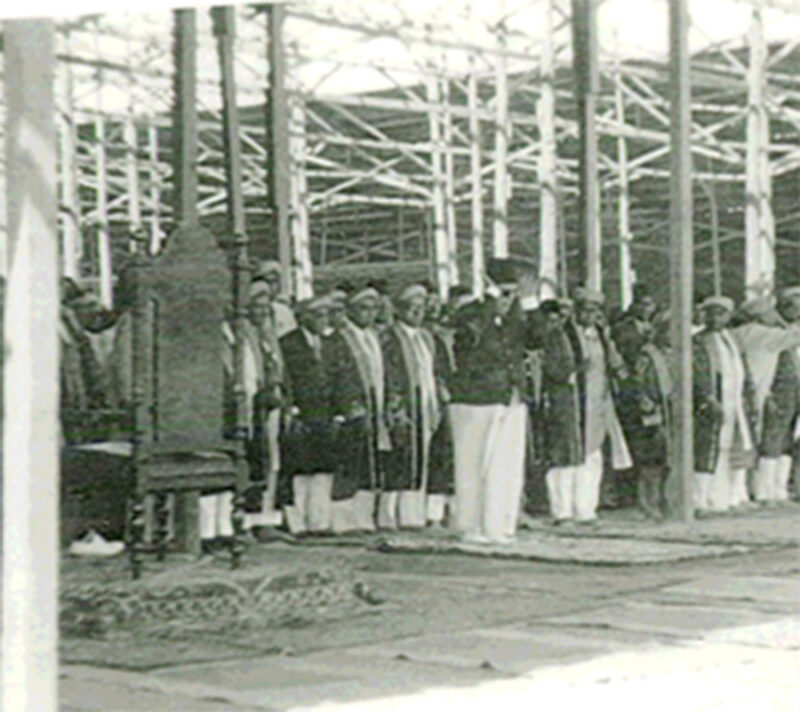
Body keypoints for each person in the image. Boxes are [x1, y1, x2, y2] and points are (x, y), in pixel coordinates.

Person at [448, 257, 535, 544]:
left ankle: (499, 525)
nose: (510, 300)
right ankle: (470, 526)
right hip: (476, 400)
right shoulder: (470, 314)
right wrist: (490, 309)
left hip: (509, 397)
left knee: (506, 468)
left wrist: (522, 307)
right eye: (505, 293)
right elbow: (467, 348)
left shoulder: (516, 317)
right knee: (472, 464)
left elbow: (537, 338)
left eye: (514, 294)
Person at [541, 287, 632, 526]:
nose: (590, 315)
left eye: (595, 310)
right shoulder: (559, 334)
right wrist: (576, 369)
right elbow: (551, 369)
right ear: (576, 311)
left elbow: (615, 366)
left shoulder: (601, 336)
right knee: (565, 458)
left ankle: (586, 510)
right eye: (586, 310)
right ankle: (562, 512)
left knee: (592, 457)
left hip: (597, 405)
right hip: (569, 403)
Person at [324, 286, 391, 532]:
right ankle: (341, 519)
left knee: (370, 463)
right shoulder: (338, 338)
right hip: (350, 410)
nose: (370, 314)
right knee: (349, 463)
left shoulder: (374, 337)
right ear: (351, 310)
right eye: (364, 308)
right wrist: (347, 405)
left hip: (375, 408)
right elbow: (334, 376)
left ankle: (364, 517)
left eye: (374, 309)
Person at [380, 284, 441, 529]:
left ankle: (413, 515)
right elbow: (389, 374)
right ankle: (389, 515)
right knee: (400, 459)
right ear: (400, 310)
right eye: (412, 308)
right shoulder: (390, 337)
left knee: (422, 458)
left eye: (421, 308)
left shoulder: (426, 337)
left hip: (426, 403)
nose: (417, 313)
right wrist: (396, 407)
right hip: (403, 405)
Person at [730, 295, 800, 505]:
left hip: (760, 391)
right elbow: (795, 336)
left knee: (775, 439)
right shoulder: (759, 334)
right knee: (768, 440)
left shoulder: (752, 332)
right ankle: (764, 491)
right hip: (762, 392)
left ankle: (772, 490)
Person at [279, 295, 337, 534]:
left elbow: (338, 377)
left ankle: (320, 521)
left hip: (325, 413)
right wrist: (291, 407)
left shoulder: (330, 343)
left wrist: (339, 411)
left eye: (325, 315)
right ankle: (298, 522)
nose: (323, 320)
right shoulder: (289, 343)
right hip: (303, 413)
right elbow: (286, 377)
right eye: (317, 315)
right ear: (303, 317)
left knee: (323, 469)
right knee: (300, 470)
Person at [692, 296, 755, 515]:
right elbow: (697, 373)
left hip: (734, 401)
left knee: (730, 449)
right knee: (708, 450)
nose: (716, 318)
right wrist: (707, 397)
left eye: (721, 313)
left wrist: (748, 397)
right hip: (711, 403)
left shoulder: (731, 339)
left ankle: (724, 499)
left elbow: (742, 370)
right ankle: (700, 501)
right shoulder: (698, 341)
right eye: (712, 313)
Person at [630, 311, 673, 519]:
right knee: (652, 460)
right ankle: (647, 503)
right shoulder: (648, 355)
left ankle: (666, 500)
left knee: (668, 460)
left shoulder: (675, 353)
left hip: (672, 411)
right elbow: (638, 384)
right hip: (653, 412)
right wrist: (646, 405)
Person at [760, 287, 800, 503]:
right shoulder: (774, 331)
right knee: (773, 438)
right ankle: (765, 489)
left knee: (789, 440)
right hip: (779, 389)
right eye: (793, 306)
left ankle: (781, 487)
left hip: (796, 390)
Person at [611, 284, 658, 371]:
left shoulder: (657, 326)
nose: (644, 309)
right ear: (634, 306)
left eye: (648, 305)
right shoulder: (623, 328)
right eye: (640, 304)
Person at [252, 260, 297, 338]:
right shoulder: (252, 310)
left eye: (275, 282)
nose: (272, 286)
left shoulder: (283, 311)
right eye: (267, 282)